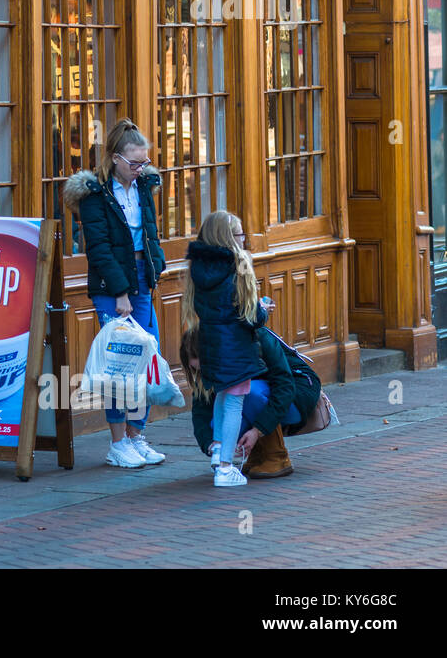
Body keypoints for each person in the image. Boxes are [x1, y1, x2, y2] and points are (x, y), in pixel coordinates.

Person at [62, 117, 167, 469]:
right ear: (115, 158)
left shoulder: (143, 185)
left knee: (146, 358)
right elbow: (100, 249)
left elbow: (149, 232)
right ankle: (118, 441)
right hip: (113, 284)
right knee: (120, 362)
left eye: (144, 162)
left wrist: (155, 268)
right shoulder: (95, 194)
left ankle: (137, 436)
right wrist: (121, 292)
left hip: (141, 277)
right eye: (134, 162)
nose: (140, 169)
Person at [181, 210, 271, 487]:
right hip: (235, 346)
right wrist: (264, 310)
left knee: (221, 396)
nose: (244, 238)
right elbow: (250, 315)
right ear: (228, 237)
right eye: (240, 233)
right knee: (234, 402)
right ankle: (225, 467)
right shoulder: (239, 263)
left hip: (210, 342)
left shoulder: (198, 266)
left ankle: (218, 449)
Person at [179, 321, 319, 479]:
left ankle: (277, 456)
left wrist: (257, 430)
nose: (206, 373)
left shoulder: (257, 338)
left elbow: (284, 388)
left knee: (247, 392)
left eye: (207, 367)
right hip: (258, 398)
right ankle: (257, 455)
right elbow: (201, 412)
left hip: (296, 394)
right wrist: (211, 445)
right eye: (197, 370)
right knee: (217, 426)